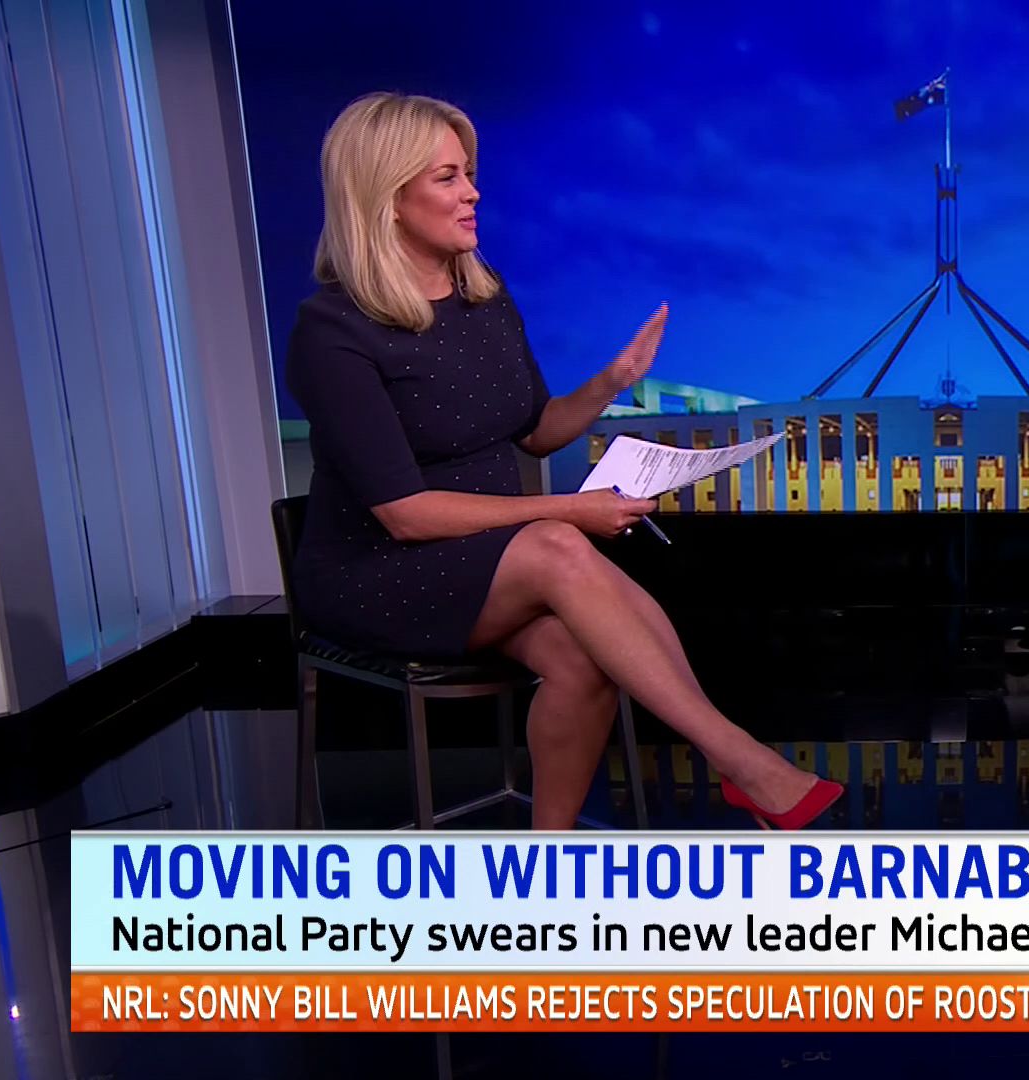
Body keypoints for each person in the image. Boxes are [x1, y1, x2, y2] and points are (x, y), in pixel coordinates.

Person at [285, 92, 841, 831]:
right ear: (384, 198)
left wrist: (615, 381)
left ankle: (549, 864)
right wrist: (572, 511)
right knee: (555, 542)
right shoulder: (331, 332)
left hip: (489, 564)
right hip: (378, 573)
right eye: (448, 177)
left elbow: (538, 431)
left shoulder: (485, 299)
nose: (473, 192)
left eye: (470, 173)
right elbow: (406, 514)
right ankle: (744, 763)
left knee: (582, 659)